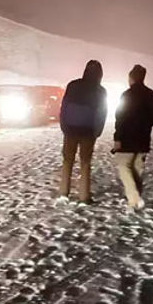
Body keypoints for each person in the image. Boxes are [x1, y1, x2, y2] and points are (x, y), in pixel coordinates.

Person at [58, 60, 107, 203]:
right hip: (88, 131)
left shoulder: (73, 85)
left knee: (67, 161)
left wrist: (64, 125)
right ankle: (84, 196)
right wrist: (97, 131)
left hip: (70, 129)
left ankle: (63, 192)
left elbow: (64, 107)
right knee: (85, 163)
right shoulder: (100, 91)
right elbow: (101, 113)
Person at [113, 64, 153, 211]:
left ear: (131, 78)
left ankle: (134, 198)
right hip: (143, 137)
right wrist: (145, 125)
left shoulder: (127, 95)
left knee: (123, 166)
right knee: (138, 168)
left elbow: (120, 117)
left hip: (127, 137)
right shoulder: (152, 95)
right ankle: (135, 201)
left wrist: (117, 137)